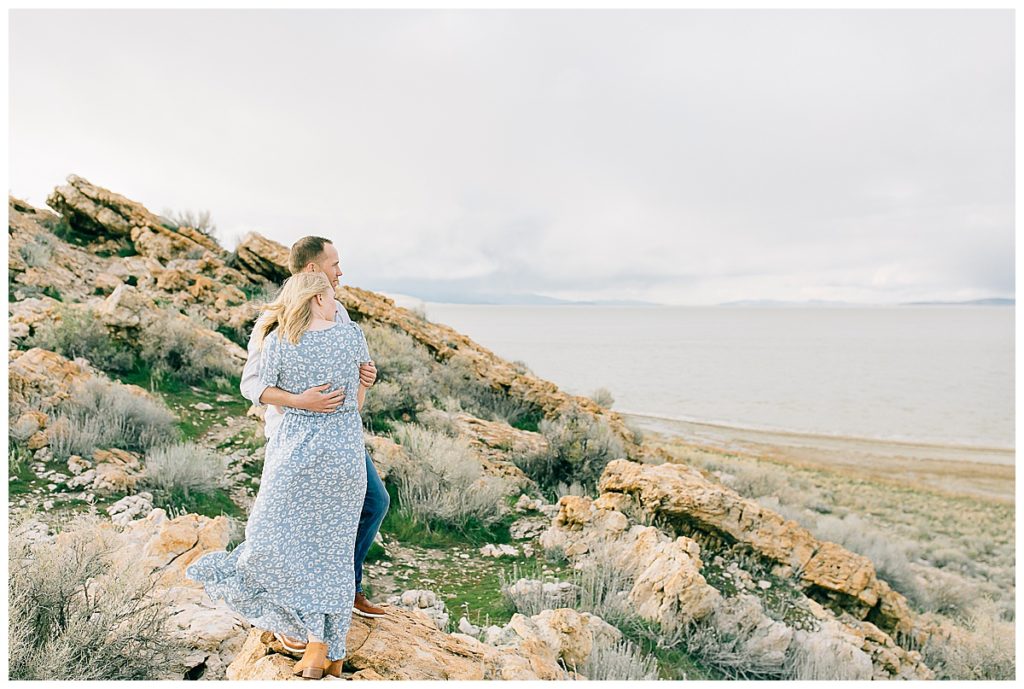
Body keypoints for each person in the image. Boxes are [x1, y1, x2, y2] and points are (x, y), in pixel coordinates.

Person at [186, 271, 372, 678]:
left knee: (271, 539)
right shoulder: (352, 336)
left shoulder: (278, 341)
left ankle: (305, 636)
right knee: (334, 553)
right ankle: (330, 649)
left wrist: (299, 401)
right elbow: (355, 404)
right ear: (319, 300)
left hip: (297, 455)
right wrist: (360, 385)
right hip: (343, 457)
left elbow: (259, 389)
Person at [238, 236, 391, 656]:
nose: (341, 272)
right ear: (312, 271)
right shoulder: (273, 322)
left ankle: (345, 593)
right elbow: (253, 386)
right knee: (290, 528)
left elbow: (346, 371)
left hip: (339, 438)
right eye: (335, 264)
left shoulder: (338, 312)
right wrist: (301, 400)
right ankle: (286, 614)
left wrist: (364, 378)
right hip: (296, 439)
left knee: (373, 503)